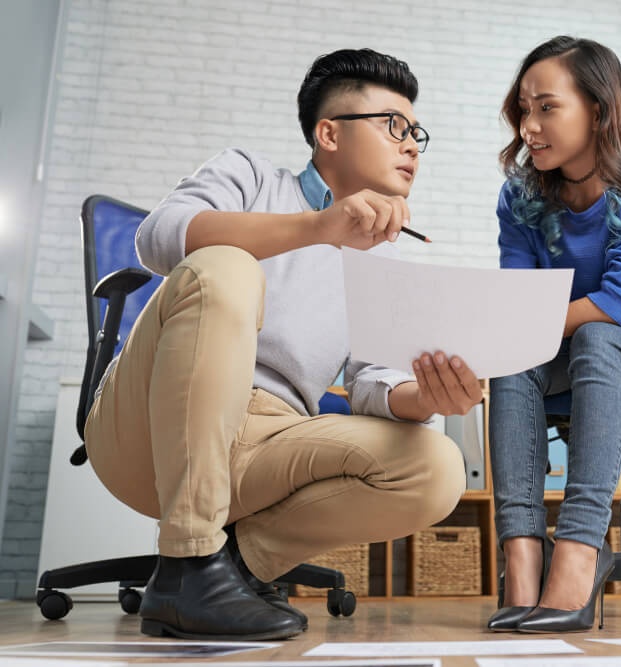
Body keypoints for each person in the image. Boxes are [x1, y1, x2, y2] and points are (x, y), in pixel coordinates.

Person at [84, 48, 481, 641]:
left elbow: (373, 382)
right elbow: (159, 239)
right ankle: (189, 556)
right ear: (329, 134)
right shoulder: (250, 175)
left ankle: (231, 569)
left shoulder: (384, 260)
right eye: (393, 126)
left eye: (417, 133)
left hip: (271, 441)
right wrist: (319, 228)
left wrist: (423, 395)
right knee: (226, 267)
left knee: (437, 466)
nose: (412, 145)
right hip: (151, 427)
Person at [487, 36, 621, 633]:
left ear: (599, 111)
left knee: (598, 337)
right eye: (523, 109)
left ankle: (582, 548)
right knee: (512, 358)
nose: (529, 125)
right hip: (577, 342)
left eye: (547, 107)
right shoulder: (521, 196)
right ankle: (523, 557)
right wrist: (494, 330)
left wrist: (523, 323)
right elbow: (519, 297)